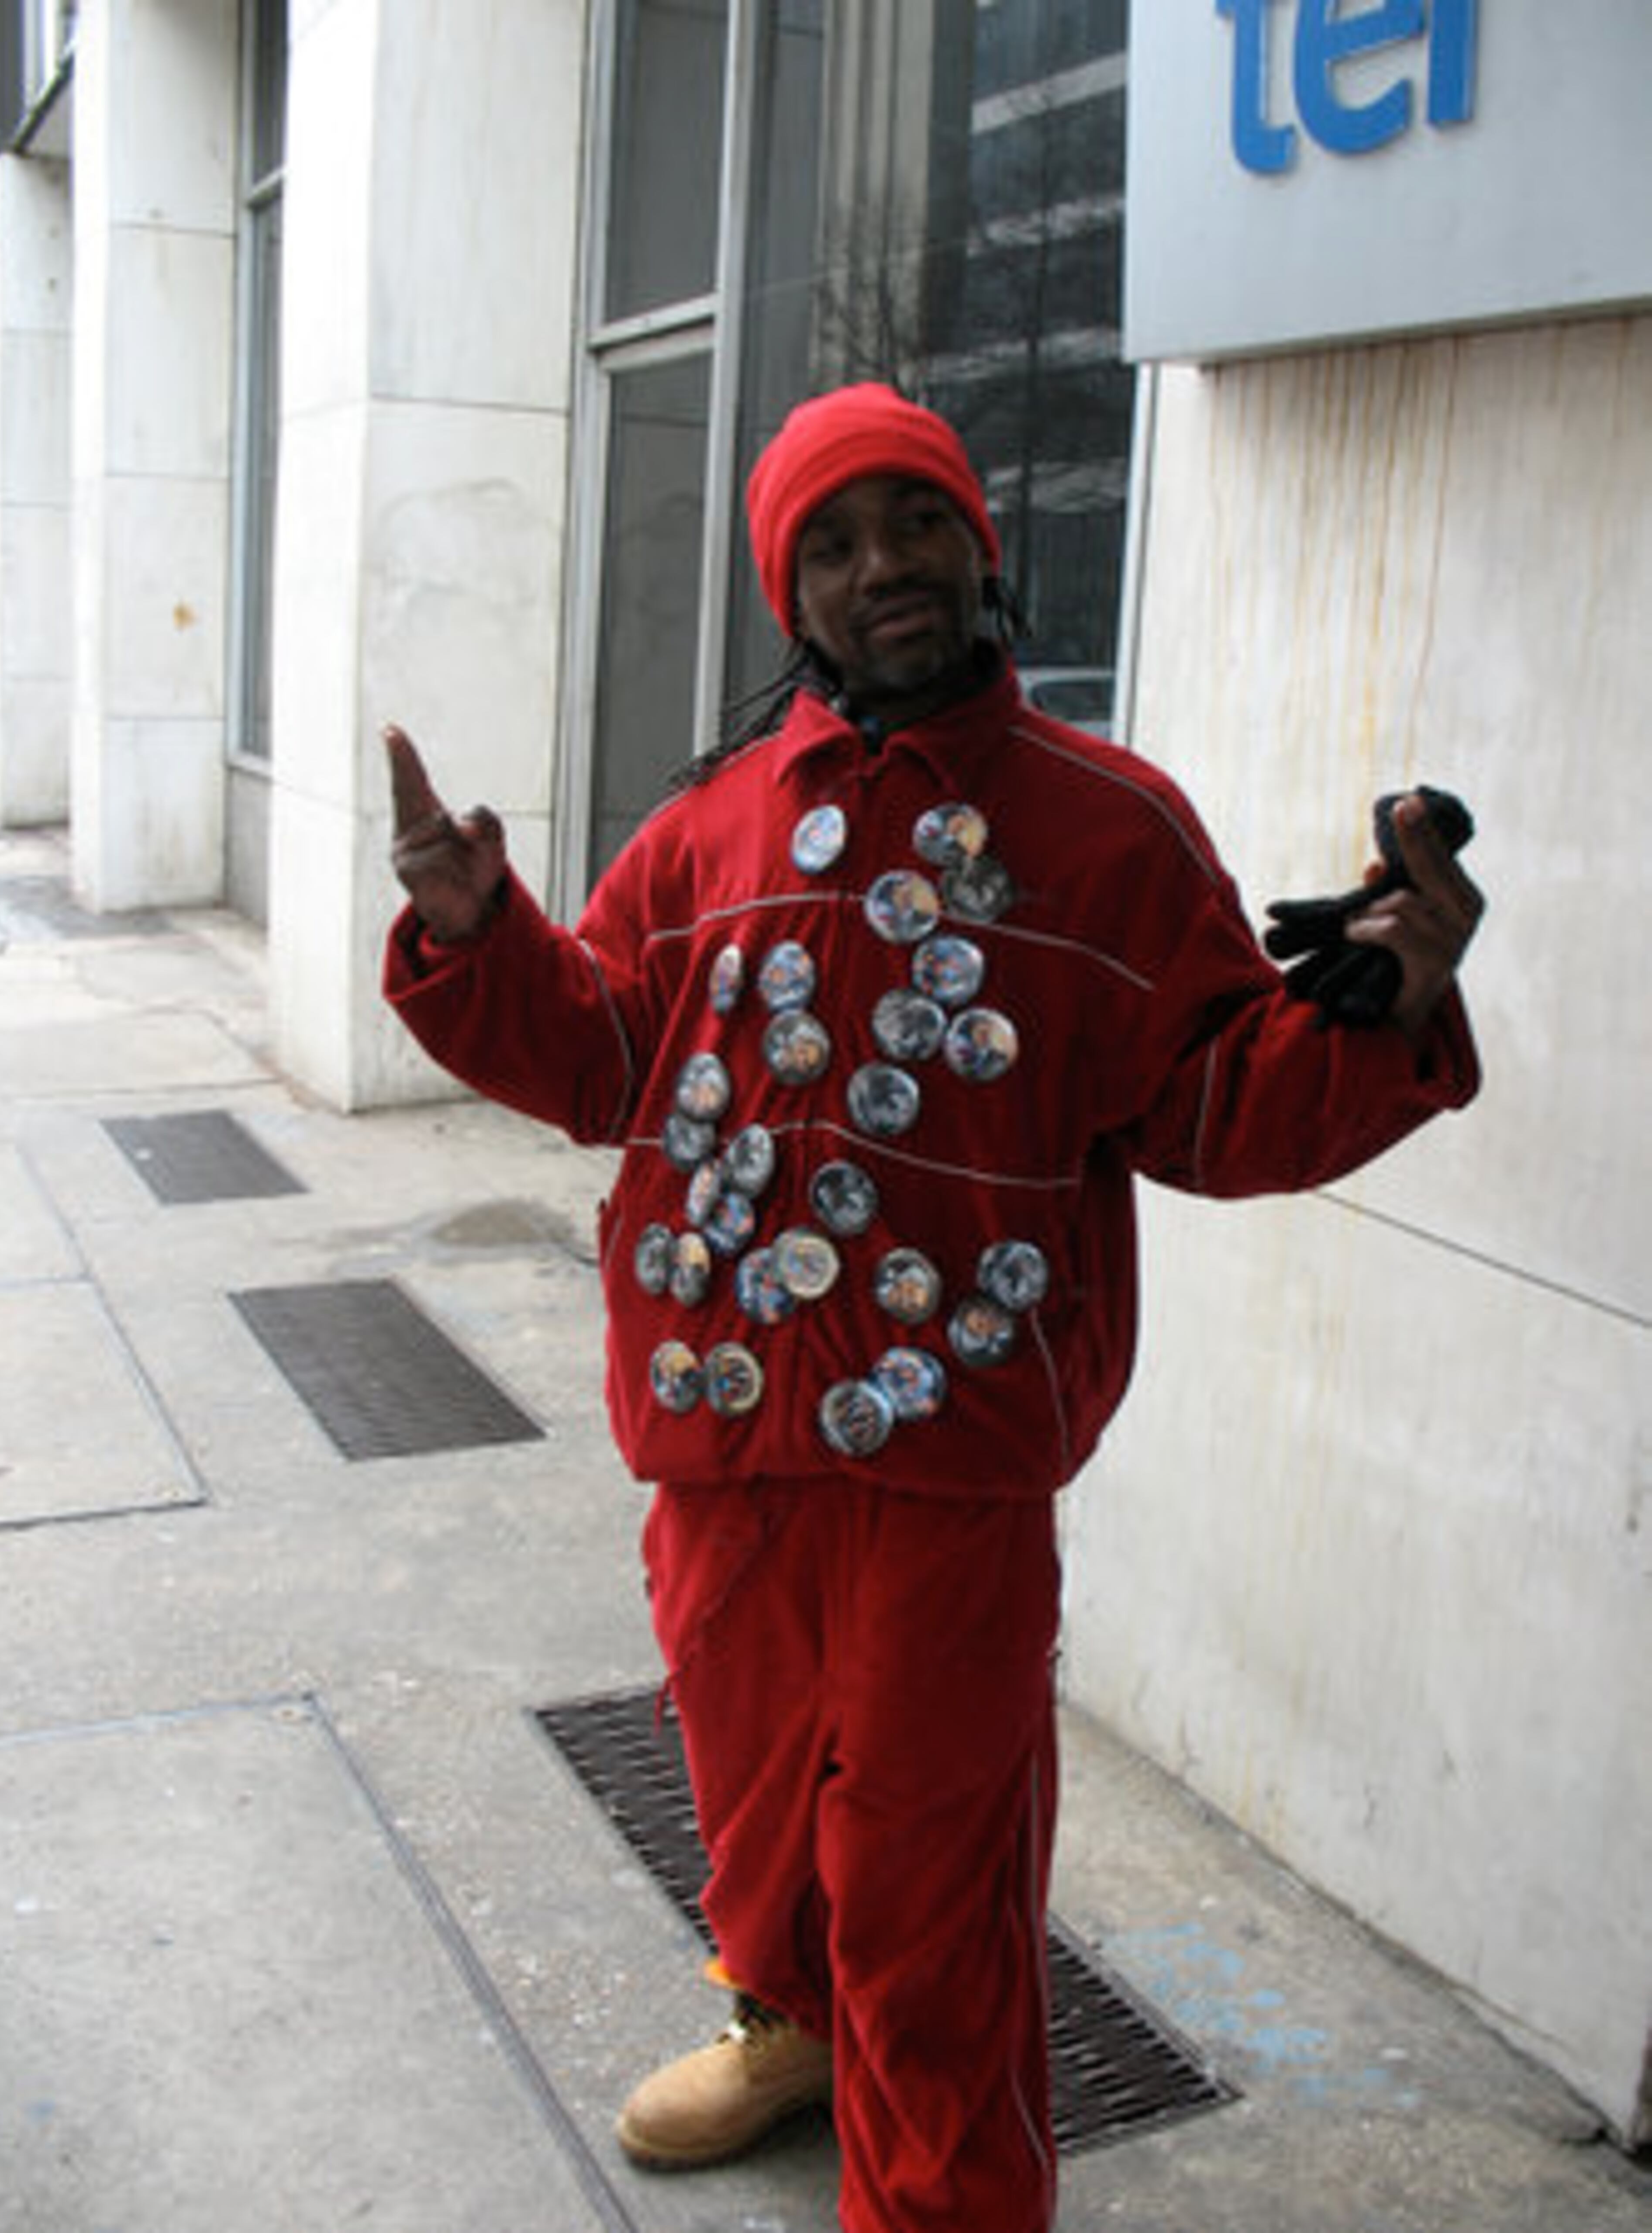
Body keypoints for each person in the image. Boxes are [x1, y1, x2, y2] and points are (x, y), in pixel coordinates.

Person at [382, 382, 1483, 2233]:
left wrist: (1375, 1009)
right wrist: (483, 939)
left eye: (914, 522)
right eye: (832, 540)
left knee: (930, 1866)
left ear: (984, 546)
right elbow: (600, 1063)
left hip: (951, 1464)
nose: (880, 564)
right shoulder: (714, 825)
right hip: (719, 1435)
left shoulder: (1112, 827)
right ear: (787, 595)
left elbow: (1210, 1107)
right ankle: (787, 2020)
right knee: (747, 1798)